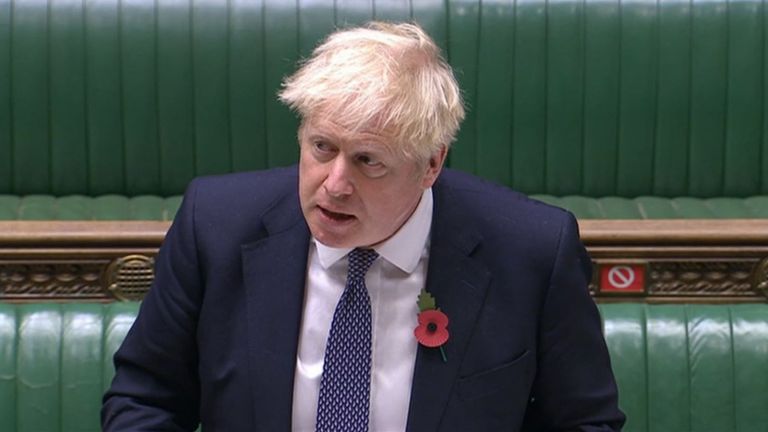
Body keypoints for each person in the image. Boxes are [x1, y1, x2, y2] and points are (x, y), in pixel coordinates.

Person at [102, 22, 625, 431]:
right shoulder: (214, 224)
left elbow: (584, 421)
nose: (333, 185)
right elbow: (143, 398)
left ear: (430, 166)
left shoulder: (532, 251)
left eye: (368, 161)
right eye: (321, 148)